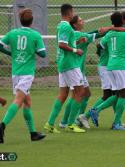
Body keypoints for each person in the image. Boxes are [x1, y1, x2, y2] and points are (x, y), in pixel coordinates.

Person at [0, 8, 46, 143]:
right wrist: (33, 49)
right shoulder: (35, 35)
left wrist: (11, 53)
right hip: (27, 74)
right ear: (32, 21)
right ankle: (2, 125)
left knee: (27, 102)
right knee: (18, 101)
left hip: (16, 73)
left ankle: (33, 133)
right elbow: (43, 54)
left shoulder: (12, 33)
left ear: (20, 20)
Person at [44, 4, 86, 133]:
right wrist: (75, 50)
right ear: (70, 12)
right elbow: (61, 44)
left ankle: (50, 123)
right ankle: (71, 124)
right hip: (70, 64)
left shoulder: (61, 25)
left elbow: (65, 43)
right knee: (80, 92)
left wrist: (77, 43)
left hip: (63, 63)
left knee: (63, 94)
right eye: (73, 11)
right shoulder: (65, 26)